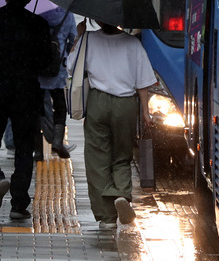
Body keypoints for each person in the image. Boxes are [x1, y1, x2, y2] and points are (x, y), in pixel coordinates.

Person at [66, 19, 156, 229]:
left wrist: (79, 36)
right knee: (122, 156)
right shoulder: (133, 43)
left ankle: (106, 218)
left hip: (98, 102)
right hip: (125, 104)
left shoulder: (88, 39)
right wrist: (145, 112)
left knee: (97, 159)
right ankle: (122, 194)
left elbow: (71, 67)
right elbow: (143, 82)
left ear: (97, 18)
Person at [0, 0, 52, 220]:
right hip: (26, 93)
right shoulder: (38, 24)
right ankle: (19, 204)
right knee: (25, 146)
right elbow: (45, 63)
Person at [37, 7, 78, 159]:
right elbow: (73, 38)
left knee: (37, 109)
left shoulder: (37, 10)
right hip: (58, 68)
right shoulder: (67, 13)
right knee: (60, 107)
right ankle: (57, 142)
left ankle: (38, 150)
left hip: (38, 68)